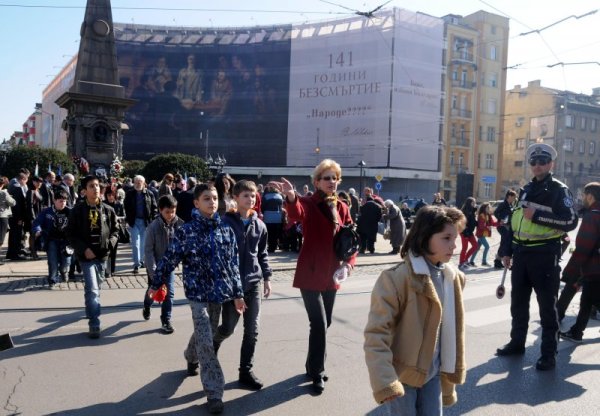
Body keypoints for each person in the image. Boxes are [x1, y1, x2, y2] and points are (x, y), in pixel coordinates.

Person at [147, 183, 246, 415]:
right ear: (195, 203)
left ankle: (190, 356)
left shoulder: (226, 231)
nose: (212, 202)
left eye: (214, 198)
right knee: (205, 337)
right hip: (197, 294)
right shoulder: (187, 231)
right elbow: (169, 259)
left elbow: (232, 266)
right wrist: (155, 284)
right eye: (206, 199)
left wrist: (238, 294)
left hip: (218, 295)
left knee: (206, 335)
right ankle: (214, 392)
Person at [364, 205, 466, 412]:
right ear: (425, 236)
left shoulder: (451, 278)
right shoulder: (396, 279)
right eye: (446, 238)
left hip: (434, 373)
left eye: (455, 239)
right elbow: (376, 334)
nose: (454, 246)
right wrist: (386, 381)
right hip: (403, 376)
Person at [269, 159, 357, 394]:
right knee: (318, 323)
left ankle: (311, 366)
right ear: (317, 181)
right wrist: (290, 197)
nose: (331, 182)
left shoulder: (342, 207)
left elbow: (351, 242)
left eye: (334, 178)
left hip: (332, 274)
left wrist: (348, 266)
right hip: (310, 272)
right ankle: (317, 372)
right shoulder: (308, 202)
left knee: (324, 323)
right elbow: (297, 213)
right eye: (326, 178)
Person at [497, 143, 578, 371]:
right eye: (533, 162)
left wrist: (539, 216)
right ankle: (517, 342)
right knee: (518, 304)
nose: (537, 166)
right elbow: (515, 223)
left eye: (542, 161)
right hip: (522, 255)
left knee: (547, 309)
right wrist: (506, 251)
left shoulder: (559, 190)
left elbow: (570, 221)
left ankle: (548, 354)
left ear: (551, 164)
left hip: (544, 255)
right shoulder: (526, 189)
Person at [214, 180, 272, 390]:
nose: (251, 199)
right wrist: (235, 290)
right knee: (228, 328)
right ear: (236, 198)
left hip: (253, 283)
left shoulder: (260, 225)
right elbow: (222, 259)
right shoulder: (225, 223)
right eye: (246, 195)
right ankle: (211, 347)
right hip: (232, 285)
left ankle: (245, 372)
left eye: (254, 195)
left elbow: (262, 254)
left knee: (252, 330)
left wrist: (267, 277)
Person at [67, 175, 119, 339]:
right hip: (86, 257)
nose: (95, 188)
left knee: (97, 286)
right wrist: (83, 249)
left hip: (103, 256)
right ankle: (94, 323)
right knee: (93, 289)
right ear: (84, 191)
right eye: (91, 186)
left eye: (97, 185)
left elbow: (115, 231)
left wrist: (109, 245)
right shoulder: (77, 210)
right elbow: (70, 234)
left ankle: (90, 309)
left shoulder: (108, 210)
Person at [559, 182, 600, 343]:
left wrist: (570, 271)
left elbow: (583, 248)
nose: (582, 198)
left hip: (593, 268)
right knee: (587, 302)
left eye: (583, 195)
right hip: (595, 269)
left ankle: (576, 332)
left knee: (592, 300)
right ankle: (576, 332)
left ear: (590, 196)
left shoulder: (592, 216)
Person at [142, 195, 184, 333]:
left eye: (173, 211)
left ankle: (166, 319)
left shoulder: (179, 224)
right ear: (160, 210)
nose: (171, 215)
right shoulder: (153, 227)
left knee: (169, 293)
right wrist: (154, 273)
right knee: (153, 291)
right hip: (155, 265)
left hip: (169, 266)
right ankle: (147, 305)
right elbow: (148, 251)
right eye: (167, 212)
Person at [32, 190, 72, 287]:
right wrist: (37, 230)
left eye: (64, 201)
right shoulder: (46, 212)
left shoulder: (70, 212)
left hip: (67, 241)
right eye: (60, 201)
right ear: (54, 200)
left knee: (66, 262)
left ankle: (64, 271)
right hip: (51, 240)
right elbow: (37, 222)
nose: (63, 203)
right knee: (52, 261)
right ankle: (53, 280)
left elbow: (78, 225)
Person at [124, 175, 158, 274]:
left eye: (140, 182)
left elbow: (154, 207)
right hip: (134, 221)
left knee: (143, 244)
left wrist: (152, 220)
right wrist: (129, 218)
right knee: (135, 244)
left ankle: (142, 261)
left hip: (145, 222)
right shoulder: (129, 194)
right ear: (134, 183)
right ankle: (136, 264)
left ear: (144, 183)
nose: (138, 184)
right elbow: (126, 207)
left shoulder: (149, 194)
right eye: (136, 182)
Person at [493, 190, 517, 269]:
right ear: (509, 196)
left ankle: (498, 260)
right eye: (513, 197)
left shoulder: (511, 205)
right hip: (502, 226)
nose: (514, 199)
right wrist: (501, 219)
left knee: (504, 243)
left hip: (508, 227)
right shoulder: (503, 204)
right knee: (505, 242)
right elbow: (496, 212)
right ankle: (498, 260)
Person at [6, 172, 28, 261]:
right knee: (16, 235)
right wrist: (20, 218)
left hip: (12, 216)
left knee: (13, 235)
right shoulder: (17, 188)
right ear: (22, 179)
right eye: (26, 181)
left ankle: (11, 253)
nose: (25, 183)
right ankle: (14, 254)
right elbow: (18, 205)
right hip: (16, 216)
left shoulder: (12, 185)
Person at [105, 188, 125, 278]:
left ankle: (111, 270)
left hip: (115, 230)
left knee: (113, 251)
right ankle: (106, 270)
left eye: (112, 195)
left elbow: (124, 216)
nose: (110, 197)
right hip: (105, 230)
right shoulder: (103, 204)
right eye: (108, 195)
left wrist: (118, 217)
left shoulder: (118, 204)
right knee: (105, 251)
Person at [469, 202, 497, 267]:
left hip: (483, 234)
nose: (489, 208)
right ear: (484, 208)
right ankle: (484, 261)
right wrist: (488, 227)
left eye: (489, 207)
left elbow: (492, 223)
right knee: (487, 246)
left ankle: (471, 261)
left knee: (477, 248)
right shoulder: (482, 215)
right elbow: (481, 226)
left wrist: (500, 223)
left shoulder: (488, 215)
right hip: (480, 234)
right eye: (488, 207)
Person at [261, 185, 284, 253]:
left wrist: (264, 213)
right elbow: (281, 206)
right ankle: (274, 246)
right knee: (275, 233)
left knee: (269, 233)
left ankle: (271, 247)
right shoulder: (280, 196)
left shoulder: (266, 196)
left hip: (268, 217)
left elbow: (263, 207)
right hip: (278, 217)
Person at [26, 176, 44, 260]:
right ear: (33, 182)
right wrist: (33, 218)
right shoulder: (31, 191)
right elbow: (30, 206)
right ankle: (33, 254)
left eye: (40, 182)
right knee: (33, 235)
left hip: (38, 215)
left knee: (36, 235)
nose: (39, 183)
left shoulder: (38, 190)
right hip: (33, 216)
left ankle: (33, 252)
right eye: (38, 182)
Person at [0, 177, 16, 265]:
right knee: (0, 239)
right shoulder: (4, 192)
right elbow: (13, 203)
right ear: (2, 184)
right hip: (2, 216)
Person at [458, 197, 478, 270]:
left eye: (475, 202)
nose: (474, 204)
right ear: (469, 203)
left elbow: (473, 222)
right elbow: (462, 223)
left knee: (475, 245)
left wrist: (479, 223)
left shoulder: (472, 211)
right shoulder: (465, 211)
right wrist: (465, 232)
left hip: (470, 232)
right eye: (473, 203)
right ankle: (461, 263)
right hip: (464, 232)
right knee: (465, 247)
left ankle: (465, 260)